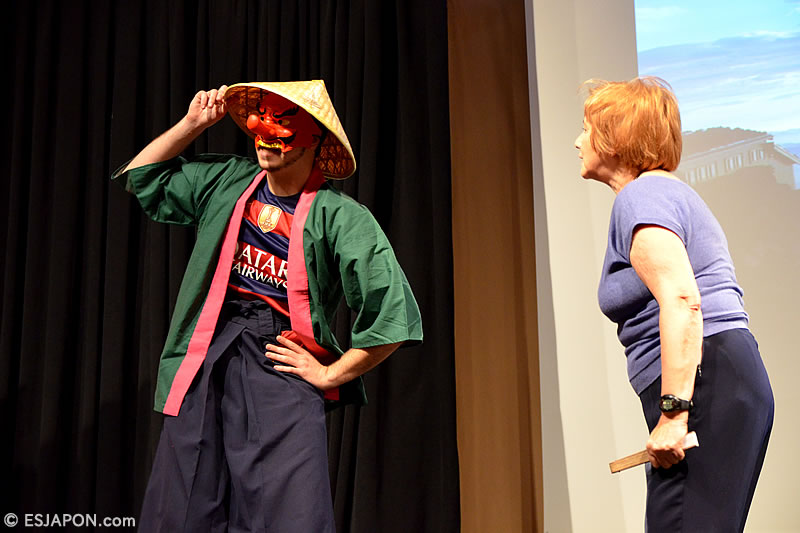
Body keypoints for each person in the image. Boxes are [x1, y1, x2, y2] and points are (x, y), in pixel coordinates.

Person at [112, 80, 422, 532]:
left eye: (284, 123)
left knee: (291, 513)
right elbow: (143, 178)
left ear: (315, 138)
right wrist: (191, 125)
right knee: (181, 508)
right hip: (207, 351)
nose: (266, 132)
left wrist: (330, 374)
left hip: (280, 357)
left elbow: (392, 312)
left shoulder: (341, 217)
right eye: (262, 120)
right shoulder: (228, 180)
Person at [575, 76, 773, 532]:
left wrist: (675, 412)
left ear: (615, 139)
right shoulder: (663, 193)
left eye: (587, 129)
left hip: (703, 384)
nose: (578, 141)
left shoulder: (642, 194)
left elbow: (683, 299)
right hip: (720, 378)